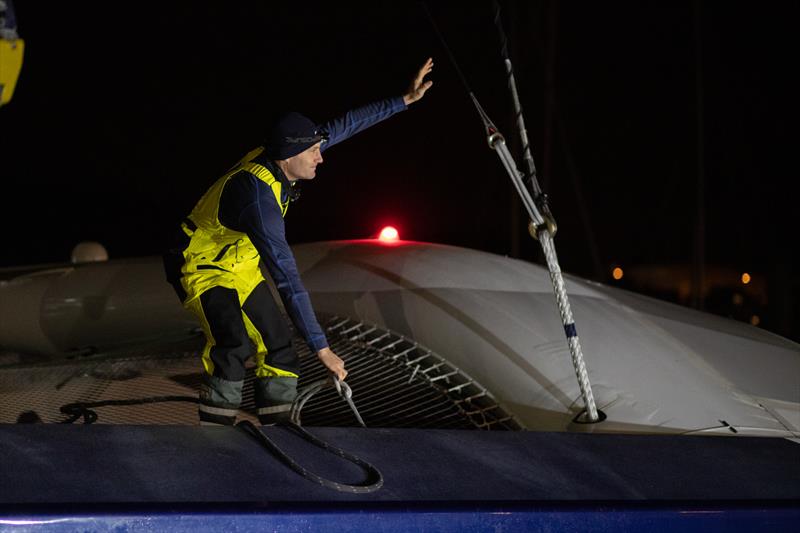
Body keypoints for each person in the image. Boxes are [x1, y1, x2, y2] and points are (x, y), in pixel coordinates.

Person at [164, 58, 433, 426]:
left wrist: (404, 99)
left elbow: (349, 124)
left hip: (239, 267)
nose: (321, 158)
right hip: (199, 264)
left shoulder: (289, 151)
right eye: (313, 154)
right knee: (233, 344)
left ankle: (280, 430)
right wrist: (322, 349)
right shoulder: (259, 202)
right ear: (290, 157)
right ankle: (214, 438)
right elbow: (287, 278)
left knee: (279, 349)